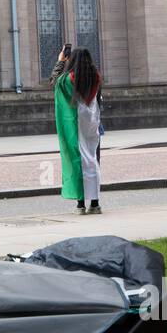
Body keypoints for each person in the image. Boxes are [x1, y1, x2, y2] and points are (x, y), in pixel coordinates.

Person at [56, 47, 102, 214]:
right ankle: (95, 203)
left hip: (76, 122)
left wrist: (61, 61)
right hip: (93, 120)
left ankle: (80, 204)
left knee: (77, 160)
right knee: (92, 160)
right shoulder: (96, 76)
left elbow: (55, 81)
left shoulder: (68, 79)